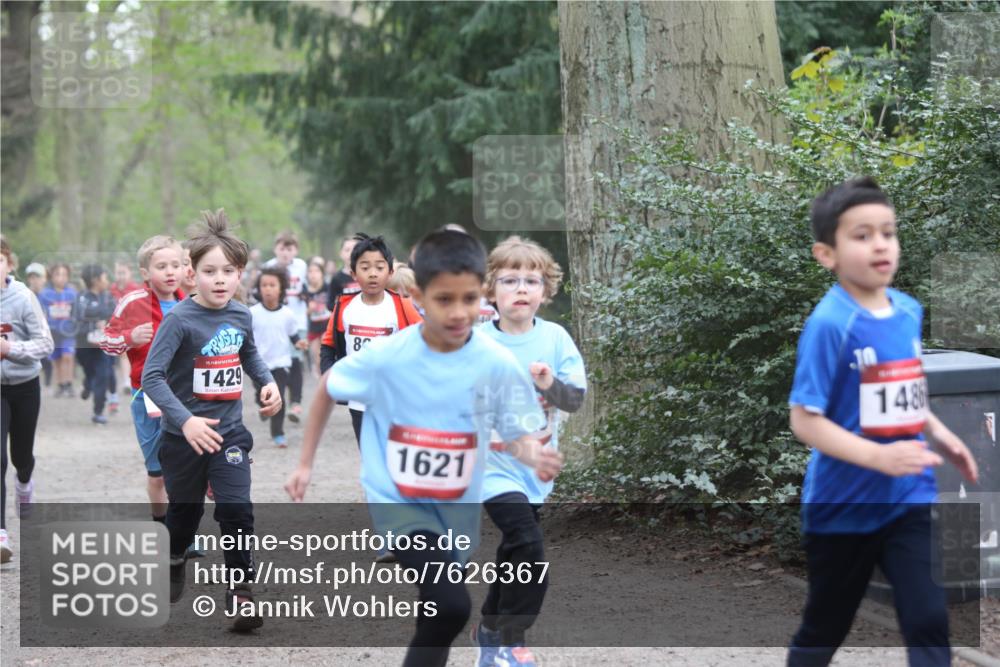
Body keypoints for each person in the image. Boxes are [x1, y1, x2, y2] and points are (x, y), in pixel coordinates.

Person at [286, 229, 563, 667]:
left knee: (437, 610)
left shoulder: (494, 362)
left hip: (456, 506)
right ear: (417, 295)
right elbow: (326, 387)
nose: (458, 312)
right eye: (444, 300)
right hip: (400, 502)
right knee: (453, 605)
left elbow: (512, 431)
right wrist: (304, 464)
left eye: (469, 299)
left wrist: (532, 454)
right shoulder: (389, 356)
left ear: (483, 295)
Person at [786, 177, 978, 666]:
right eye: (862, 235)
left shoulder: (907, 311)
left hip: (907, 500)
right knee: (824, 629)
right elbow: (805, 422)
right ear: (826, 254)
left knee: (929, 621)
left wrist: (944, 436)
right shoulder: (830, 324)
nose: (880, 245)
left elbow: (906, 394)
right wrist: (879, 456)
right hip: (843, 509)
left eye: (888, 233)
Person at [142, 209, 281, 631]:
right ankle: (175, 554)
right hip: (183, 441)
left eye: (229, 271)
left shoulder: (241, 315)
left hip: (229, 434)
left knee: (237, 509)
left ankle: (240, 593)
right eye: (209, 271)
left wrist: (266, 382)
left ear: (240, 274)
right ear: (191, 273)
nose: (219, 280)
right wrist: (185, 422)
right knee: (184, 518)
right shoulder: (179, 320)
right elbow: (152, 377)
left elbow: (248, 353)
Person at [473, 236, 587, 667]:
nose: (522, 288)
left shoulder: (556, 340)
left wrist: (548, 386)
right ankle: (510, 641)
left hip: (536, 469)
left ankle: (487, 630)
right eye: (510, 279)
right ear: (490, 289)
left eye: (531, 280)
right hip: (490, 465)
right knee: (528, 544)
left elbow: (573, 400)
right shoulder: (476, 343)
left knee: (512, 550)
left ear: (545, 290)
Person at [101, 236, 185, 527]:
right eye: (162, 266)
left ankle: (184, 530)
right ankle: (161, 525)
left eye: (176, 264)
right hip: (147, 396)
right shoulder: (132, 302)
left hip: (186, 396)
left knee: (185, 468)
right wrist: (129, 338)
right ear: (146, 272)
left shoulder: (191, 303)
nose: (170, 272)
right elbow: (105, 341)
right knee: (158, 472)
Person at [319, 234, 421, 444]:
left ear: (390, 271)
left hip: (394, 398)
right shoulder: (344, 307)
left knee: (394, 456)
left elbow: (425, 341)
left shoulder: (402, 306)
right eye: (365, 268)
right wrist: (330, 379)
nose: (373, 274)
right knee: (369, 456)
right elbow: (328, 345)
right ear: (353, 273)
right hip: (359, 400)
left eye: (379, 267)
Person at [0, 237, 54, 563]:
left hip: (24, 384)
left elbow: (45, 344)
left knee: (21, 456)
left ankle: (24, 482)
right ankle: (1, 534)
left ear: (9, 263)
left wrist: (11, 350)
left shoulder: (23, 298)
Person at [250, 267, 308, 448]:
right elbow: (246, 337)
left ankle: (278, 434)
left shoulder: (287, 314)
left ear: (281, 288)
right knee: (262, 395)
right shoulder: (252, 313)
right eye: (264, 285)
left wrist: (299, 343)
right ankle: (262, 405)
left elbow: (293, 335)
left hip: (281, 363)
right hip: (258, 364)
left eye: (272, 285)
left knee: (279, 398)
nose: (267, 289)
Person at [264, 232, 308, 423]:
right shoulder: (269, 267)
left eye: (289, 249)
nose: (285, 253)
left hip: (297, 321)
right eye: (282, 248)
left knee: (295, 360)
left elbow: (310, 286)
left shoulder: (302, 266)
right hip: (274, 321)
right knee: (275, 363)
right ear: (276, 249)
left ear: (295, 250)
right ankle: (270, 402)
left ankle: (295, 403)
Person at [74, 265, 115, 425]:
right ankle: (87, 384)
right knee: (91, 374)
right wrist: (93, 326)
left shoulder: (109, 298)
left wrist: (107, 326)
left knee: (102, 376)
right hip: (84, 347)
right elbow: (76, 323)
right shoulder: (80, 299)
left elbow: (115, 317)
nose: (107, 281)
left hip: (102, 347)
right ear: (95, 280)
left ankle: (98, 411)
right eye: (105, 277)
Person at [39, 263, 76, 397]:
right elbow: (41, 312)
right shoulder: (45, 294)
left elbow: (76, 311)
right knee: (57, 359)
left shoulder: (72, 293)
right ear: (52, 276)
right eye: (58, 274)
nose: (61, 278)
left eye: (64, 275)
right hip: (53, 331)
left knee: (68, 357)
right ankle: (60, 385)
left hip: (68, 331)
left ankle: (69, 384)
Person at [23, 263, 52, 388]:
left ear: (44, 279)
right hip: (27, 335)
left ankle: (47, 384)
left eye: (38, 277)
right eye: (32, 277)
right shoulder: (23, 295)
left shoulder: (49, 295)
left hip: (46, 335)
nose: (34, 281)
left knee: (47, 361)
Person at [303, 259, 330, 378]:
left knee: (324, 355)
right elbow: (303, 313)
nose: (313, 274)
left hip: (327, 326)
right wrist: (310, 309)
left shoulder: (328, 287)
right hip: (313, 327)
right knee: (317, 357)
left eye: (316, 271)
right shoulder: (305, 291)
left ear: (322, 274)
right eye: (310, 271)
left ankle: (326, 379)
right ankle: (321, 379)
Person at [325, 235, 361, 309]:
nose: (351, 253)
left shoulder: (367, 275)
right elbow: (330, 304)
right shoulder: (336, 279)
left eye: (355, 249)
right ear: (341, 253)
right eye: (347, 250)